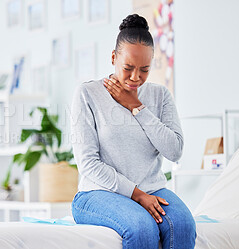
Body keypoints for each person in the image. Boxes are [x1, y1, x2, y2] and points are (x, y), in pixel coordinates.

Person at [70, 14, 196, 249]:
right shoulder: (87, 94)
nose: (136, 78)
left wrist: (136, 107)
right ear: (113, 57)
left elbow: (175, 150)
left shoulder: (160, 96)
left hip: (153, 189)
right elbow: (88, 164)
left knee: (183, 225)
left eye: (144, 70)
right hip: (97, 193)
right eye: (128, 68)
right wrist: (137, 194)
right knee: (141, 228)